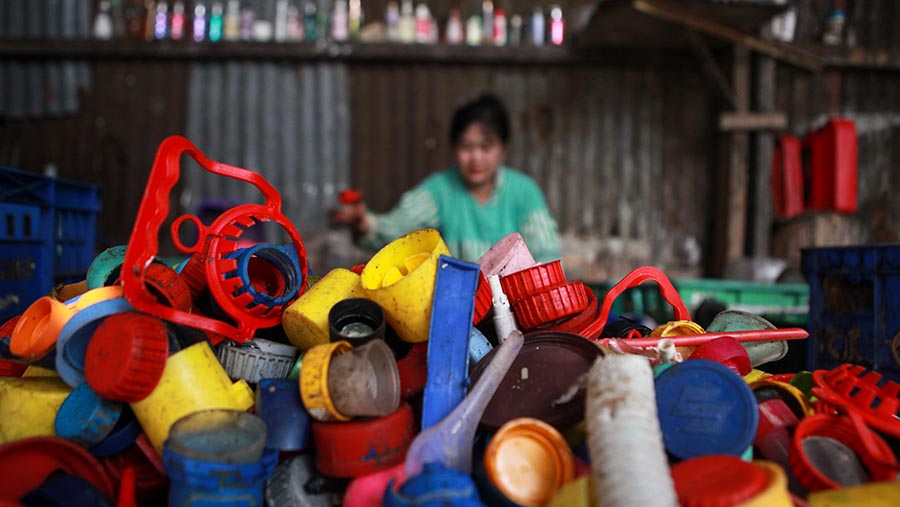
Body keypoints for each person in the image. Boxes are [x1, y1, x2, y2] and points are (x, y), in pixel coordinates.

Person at [331, 94, 561, 263]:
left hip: (514, 306)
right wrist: (365, 224)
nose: (476, 158)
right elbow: (396, 229)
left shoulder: (524, 192)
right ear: (454, 148)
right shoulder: (439, 190)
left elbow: (548, 255)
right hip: (458, 305)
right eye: (467, 147)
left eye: (485, 147)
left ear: (504, 148)